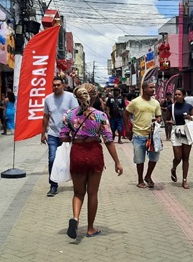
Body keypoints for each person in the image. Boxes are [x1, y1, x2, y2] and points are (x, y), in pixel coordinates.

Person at [61, 84, 123, 239]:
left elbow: (62, 136)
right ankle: (90, 228)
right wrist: (117, 162)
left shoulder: (69, 114)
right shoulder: (101, 116)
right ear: (94, 97)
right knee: (92, 193)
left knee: (78, 192)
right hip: (94, 154)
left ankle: (75, 219)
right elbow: (108, 140)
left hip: (77, 154)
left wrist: (76, 136)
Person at [41, 77, 78, 197]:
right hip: (53, 134)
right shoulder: (48, 99)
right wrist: (43, 133)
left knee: (73, 159)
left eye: (58, 85)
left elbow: (76, 114)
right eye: (54, 85)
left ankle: (77, 182)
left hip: (69, 134)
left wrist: (76, 131)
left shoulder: (71, 97)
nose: (56, 87)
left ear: (63, 85)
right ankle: (53, 185)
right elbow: (46, 116)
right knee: (52, 159)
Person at [124, 80, 162, 189]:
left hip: (152, 136)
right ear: (144, 89)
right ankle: (140, 180)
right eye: (150, 87)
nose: (153, 89)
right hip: (138, 135)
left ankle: (148, 176)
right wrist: (128, 129)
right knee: (140, 159)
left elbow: (159, 115)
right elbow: (126, 114)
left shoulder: (156, 103)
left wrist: (158, 119)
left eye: (153, 87)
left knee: (154, 157)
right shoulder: (135, 102)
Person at [168, 87, 193, 188]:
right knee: (178, 157)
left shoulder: (188, 106)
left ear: (183, 96)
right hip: (176, 131)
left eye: (179, 94)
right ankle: (174, 168)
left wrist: (190, 118)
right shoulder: (171, 107)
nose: (177, 96)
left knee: (186, 157)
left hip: (186, 131)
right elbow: (166, 120)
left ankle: (184, 180)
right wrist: (169, 122)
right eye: (176, 94)